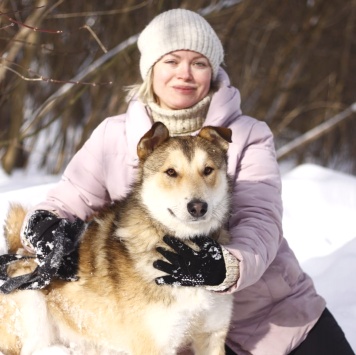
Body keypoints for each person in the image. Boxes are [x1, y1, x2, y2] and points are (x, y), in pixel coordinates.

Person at [0, 8, 354, 355]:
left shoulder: (245, 134)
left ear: (212, 72)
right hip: (168, 314)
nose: (184, 73)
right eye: (171, 60)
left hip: (269, 310)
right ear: (151, 69)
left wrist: (225, 266)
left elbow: (260, 219)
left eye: (198, 63)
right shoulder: (115, 135)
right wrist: (44, 227)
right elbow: (69, 199)